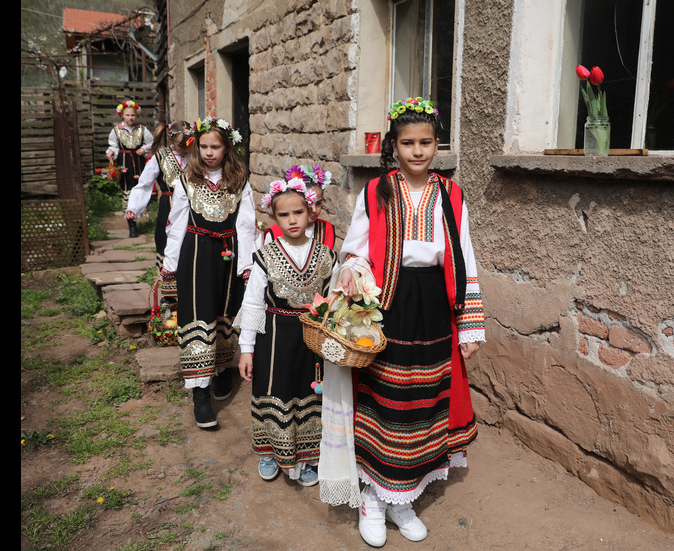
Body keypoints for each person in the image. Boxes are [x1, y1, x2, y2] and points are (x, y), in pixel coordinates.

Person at [328, 97, 485, 547]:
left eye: (427, 142)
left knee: (424, 396)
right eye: (408, 143)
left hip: (435, 303)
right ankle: (374, 498)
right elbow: (355, 247)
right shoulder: (376, 191)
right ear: (393, 147)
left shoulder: (451, 193)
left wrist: (470, 324)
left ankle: (402, 497)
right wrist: (354, 272)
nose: (418, 151)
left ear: (438, 145)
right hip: (388, 304)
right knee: (386, 397)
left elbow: (464, 256)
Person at [235, 174, 337, 487]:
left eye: (298, 212)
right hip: (273, 337)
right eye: (283, 214)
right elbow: (253, 304)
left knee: (309, 394)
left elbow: (333, 302)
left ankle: (306, 459)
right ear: (273, 217)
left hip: (311, 339)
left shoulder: (326, 256)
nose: (292, 220)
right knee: (273, 391)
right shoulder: (265, 256)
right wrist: (247, 350)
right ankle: (269, 452)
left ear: (311, 212)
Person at [161, 116, 257, 428]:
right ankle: (200, 396)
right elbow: (176, 224)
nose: (209, 152)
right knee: (198, 315)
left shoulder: (240, 181)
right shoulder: (186, 181)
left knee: (226, 311)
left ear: (227, 147)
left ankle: (223, 369)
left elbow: (246, 226)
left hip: (228, 256)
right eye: (203, 146)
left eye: (215, 146)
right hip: (197, 253)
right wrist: (169, 264)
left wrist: (246, 266)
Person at [126, 120, 191, 276]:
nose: (185, 150)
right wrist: (134, 207)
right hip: (168, 206)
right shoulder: (160, 157)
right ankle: (168, 289)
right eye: (181, 147)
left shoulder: (196, 155)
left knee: (189, 243)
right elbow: (144, 184)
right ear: (170, 141)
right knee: (165, 240)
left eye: (188, 146)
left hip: (191, 207)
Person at [259, 164, 336, 250]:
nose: (313, 209)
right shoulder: (274, 234)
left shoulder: (327, 230)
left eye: (318, 203)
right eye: (309, 203)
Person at [107, 100, 154, 238]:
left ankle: (140, 214)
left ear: (136, 115)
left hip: (139, 163)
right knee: (127, 191)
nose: (130, 118)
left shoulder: (142, 129)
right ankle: (131, 226)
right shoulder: (116, 130)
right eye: (127, 115)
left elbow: (152, 143)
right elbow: (113, 146)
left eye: (133, 115)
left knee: (140, 188)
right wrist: (111, 153)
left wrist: (144, 149)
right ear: (122, 115)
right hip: (125, 163)